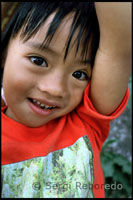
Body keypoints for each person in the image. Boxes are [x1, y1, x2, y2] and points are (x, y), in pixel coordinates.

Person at [1, 2, 131, 198]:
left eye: (79, 74)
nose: (55, 89)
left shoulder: (86, 123)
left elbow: (118, 46)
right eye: (38, 61)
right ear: (3, 54)